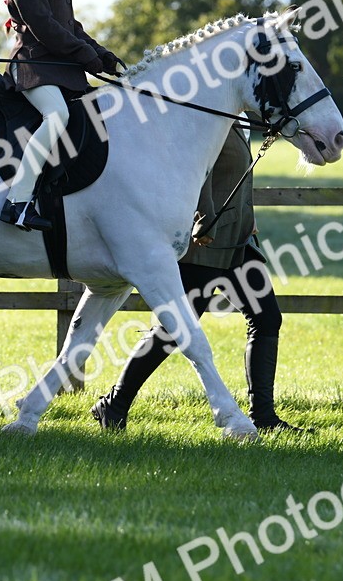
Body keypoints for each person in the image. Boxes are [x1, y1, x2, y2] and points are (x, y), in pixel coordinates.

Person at [90, 126, 308, 432]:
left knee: (266, 317)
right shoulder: (208, 120)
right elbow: (197, 172)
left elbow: (234, 176)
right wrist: (203, 218)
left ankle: (264, 417)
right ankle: (113, 405)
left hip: (237, 240)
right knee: (172, 329)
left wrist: (249, 216)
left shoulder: (234, 116)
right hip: (204, 242)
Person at [0, 0, 123, 232]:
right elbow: (42, 24)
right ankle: (17, 203)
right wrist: (84, 55)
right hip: (35, 66)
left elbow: (68, 24)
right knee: (57, 116)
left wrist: (101, 53)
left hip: (57, 66)